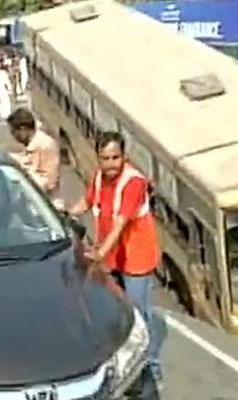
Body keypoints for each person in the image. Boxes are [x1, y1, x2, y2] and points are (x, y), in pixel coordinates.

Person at [69, 131, 163, 386]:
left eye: (115, 158)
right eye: (105, 158)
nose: (111, 164)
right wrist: (63, 213)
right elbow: (86, 203)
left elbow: (120, 223)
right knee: (117, 313)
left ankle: (151, 368)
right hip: (115, 258)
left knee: (139, 315)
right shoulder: (100, 178)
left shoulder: (132, 183)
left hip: (136, 259)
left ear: (124, 156)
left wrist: (99, 253)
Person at [6, 108, 60, 203]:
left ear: (23, 129)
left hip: (46, 204)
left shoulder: (44, 145)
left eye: (14, 132)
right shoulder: (31, 145)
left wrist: (23, 174)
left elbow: (50, 182)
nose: (13, 137)